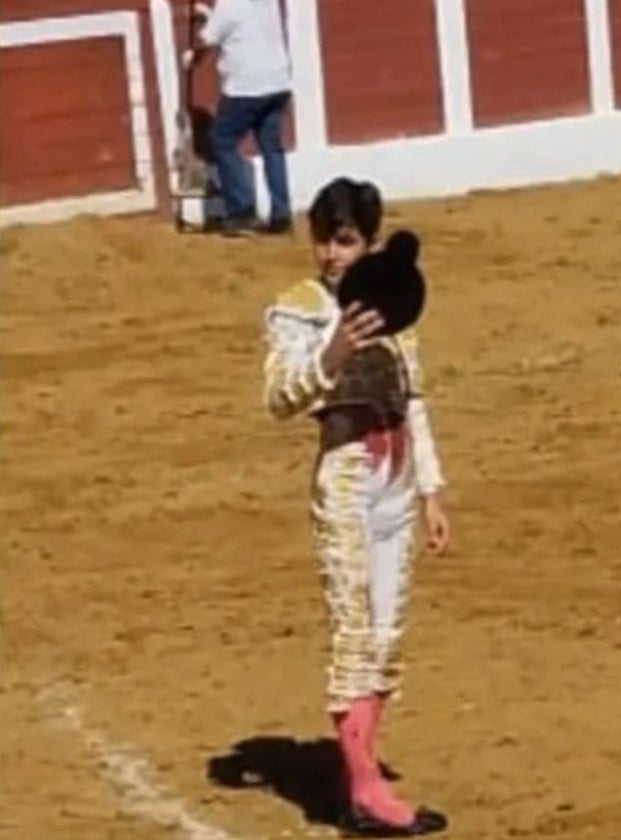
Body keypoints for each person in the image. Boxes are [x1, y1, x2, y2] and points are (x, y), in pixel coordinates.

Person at [261, 177, 451, 837]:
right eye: (323, 239)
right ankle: (366, 790)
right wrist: (334, 350)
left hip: (395, 482)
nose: (331, 254)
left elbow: (413, 399)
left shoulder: (393, 304)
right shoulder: (299, 309)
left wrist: (431, 489)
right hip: (344, 481)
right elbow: (280, 399)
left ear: (367, 243)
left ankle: (358, 781)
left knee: (385, 638)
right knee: (353, 632)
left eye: (345, 241)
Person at [185, 0, 293, 236]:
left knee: (222, 140)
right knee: (272, 148)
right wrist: (207, 15)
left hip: (246, 87)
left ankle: (242, 211)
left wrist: (191, 57)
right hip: (278, 82)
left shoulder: (228, 6)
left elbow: (207, 39)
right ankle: (281, 213)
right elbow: (237, 25)